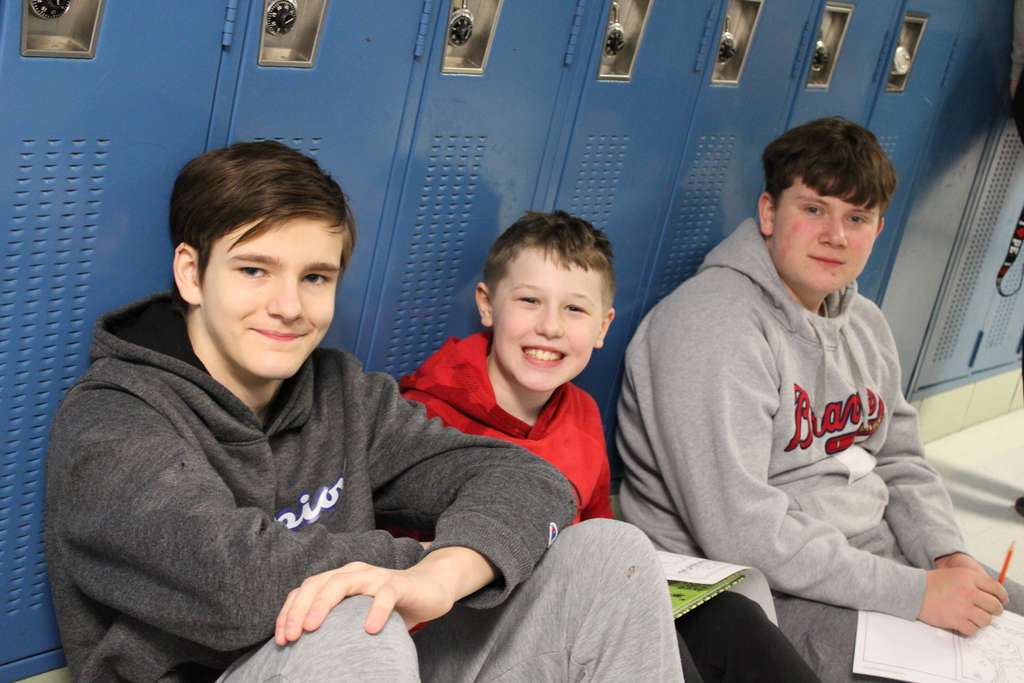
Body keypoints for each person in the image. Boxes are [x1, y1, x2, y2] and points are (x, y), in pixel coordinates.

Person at [43, 141, 686, 683]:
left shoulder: (342, 394)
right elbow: (234, 582)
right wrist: (413, 561)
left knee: (609, 553)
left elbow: (531, 480)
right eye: (254, 270)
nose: (289, 306)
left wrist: (446, 572)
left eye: (315, 278)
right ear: (191, 274)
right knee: (356, 617)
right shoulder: (112, 420)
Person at [615, 117, 1024, 681]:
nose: (836, 236)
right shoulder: (711, 327)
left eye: (856, 217)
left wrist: (945, 554)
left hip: (876, 564)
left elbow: (902, 461)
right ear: (768, 213)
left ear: (878, 229)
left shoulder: (865, 322)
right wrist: (915, 594)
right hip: (763, 593)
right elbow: (743, 531)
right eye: (814, 209)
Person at [401, 210, 822, 683]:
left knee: (731, 617)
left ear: (603, 327)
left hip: (567, 608)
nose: (550, 326)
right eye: (529, 300)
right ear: (487, 304)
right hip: (465, 638)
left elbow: (597, 531)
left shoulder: (580, 411)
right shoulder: (423, 418)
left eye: (574, 309)